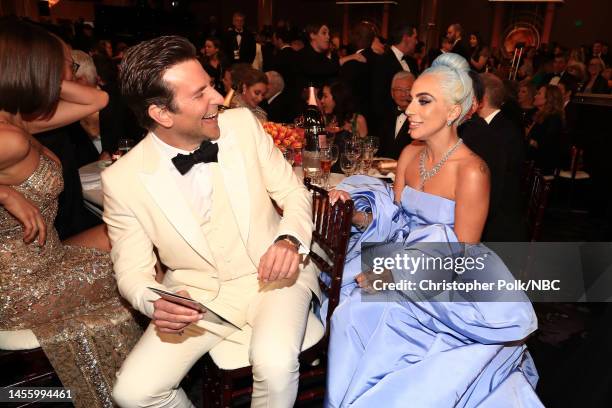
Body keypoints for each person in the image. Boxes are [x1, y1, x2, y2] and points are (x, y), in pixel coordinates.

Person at [104, 35, 321, 408]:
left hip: (273, 278)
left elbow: (294, 194)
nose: (219, 98)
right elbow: (132, 271)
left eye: (211, 85)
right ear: (161, 114)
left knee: (274, 361)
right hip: (198, 296)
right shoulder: (122, 179)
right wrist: (155, 301)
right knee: (133, 392)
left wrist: (289, 240)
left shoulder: (243, 126)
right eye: (199, 93)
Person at [325, 53, 540, 407]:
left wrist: (393, 275)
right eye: (411, 100)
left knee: (374, 315)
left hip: (442, 276)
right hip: (398, 255)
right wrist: (356, 215)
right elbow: (394, 220)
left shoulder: (472, 171)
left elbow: (462, 252)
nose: (410, 110)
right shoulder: (410, 154)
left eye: (424, 101)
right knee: (346, 307)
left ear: (453, 112)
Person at [0, 19, 142, 408]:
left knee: (131, 236)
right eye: (58, 67)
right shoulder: (8, 136)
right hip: (19, 287)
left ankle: (144, 381)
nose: (68, 74)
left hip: (46, 257)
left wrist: (35, 75)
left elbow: (98, 100)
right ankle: (142, 387)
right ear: (33, 70)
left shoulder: (20, 121)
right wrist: (5, 194)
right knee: (138, 274)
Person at [527, 85, 565, 175]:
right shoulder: (539, 115)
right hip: (534, 160)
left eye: (539, 93)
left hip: (544, 165)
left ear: (549, 99)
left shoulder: (554, 119)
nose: (535, 96)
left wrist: (529, 140)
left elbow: (545, 144)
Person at [376, 71, 415, 160]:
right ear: (392, 93)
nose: (403, 94)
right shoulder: (384, 116)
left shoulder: (421, 119)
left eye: (408, 90)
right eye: (398, 90)